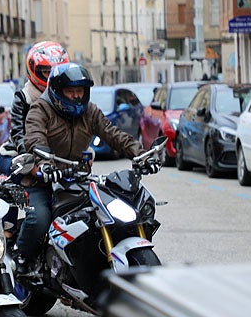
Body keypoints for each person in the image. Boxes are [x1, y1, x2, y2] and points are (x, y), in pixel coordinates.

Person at [17, 63, 158, 275]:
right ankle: (22, 260)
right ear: (56, 91)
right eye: (70, 91)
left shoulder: (89, 111)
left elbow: (113, 133)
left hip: (77, 177)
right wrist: (45, 163)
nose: (76, 96)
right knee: (40, 218)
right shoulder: (41, 108)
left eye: (80, 91)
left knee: (104, 211)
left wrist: (140, 154)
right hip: (43, 178)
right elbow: (34, 136)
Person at [0, 41, 70, 173]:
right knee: (32, 191)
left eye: (57, 71)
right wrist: (32, 162)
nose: (52, 76)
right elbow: (17, 133)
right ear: (34, 70)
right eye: (46, 72)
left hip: (58, 159)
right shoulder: (24, 97)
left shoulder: (69, 96)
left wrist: (85, 152)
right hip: (20, 157)